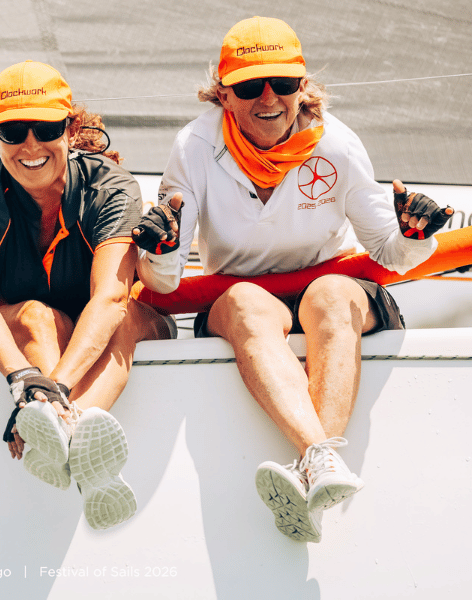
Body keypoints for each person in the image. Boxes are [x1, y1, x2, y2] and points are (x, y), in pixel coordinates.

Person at [133, 18, 452, 543]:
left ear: (302, 87)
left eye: (282, 83)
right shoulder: (193, 145)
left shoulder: (338, 144)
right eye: (249, 87)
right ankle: (321, 463)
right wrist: (162, 250)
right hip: (241, 298)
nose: (268, 98)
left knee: (330, 294)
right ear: (222, 95)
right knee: (245, 301)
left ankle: (315, 463)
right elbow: (163, 284)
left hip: (328, 291)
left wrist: (416, 235)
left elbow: (391, 255)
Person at [0, 60, 176, 530]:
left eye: (46, 128)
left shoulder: (110, 185)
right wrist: (22, 379)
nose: (31, 145)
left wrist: (53, 393)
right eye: (13, 131)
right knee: (35, 315)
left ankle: (64, 427)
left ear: (70, 130)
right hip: (23, 335)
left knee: (125, 314)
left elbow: (110, 299)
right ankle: (82, 447)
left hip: (92, 338)